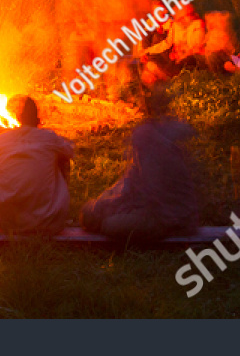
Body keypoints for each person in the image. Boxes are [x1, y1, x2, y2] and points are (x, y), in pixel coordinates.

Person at [80, 84, 200, 242]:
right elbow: (130, 183)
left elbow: (150, 194)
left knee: (109, 224)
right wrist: (108, 203)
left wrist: (114, 206)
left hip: (169, 217)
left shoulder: (149, 138)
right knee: (90, 213)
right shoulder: (157, 135)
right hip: (158, 210)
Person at [0, 95, 74, 235]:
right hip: (47, 221)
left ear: (18, 117)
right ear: (38, 118)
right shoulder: (50, 138)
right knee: (62, 158)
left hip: (3, 220)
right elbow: (70, 151)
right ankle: (51, 204)